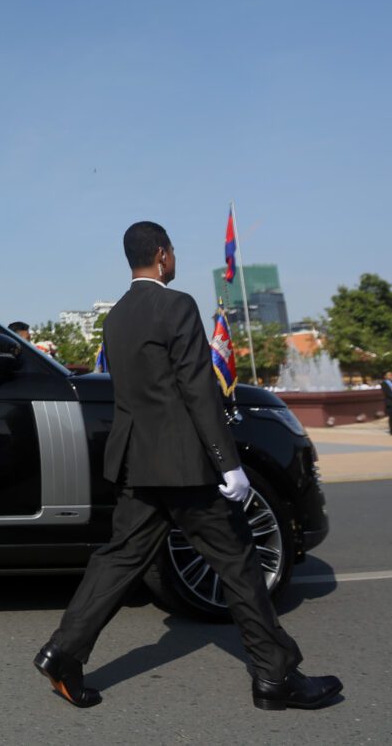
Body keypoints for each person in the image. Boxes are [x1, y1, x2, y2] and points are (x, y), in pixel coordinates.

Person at [33, 221, 340, 712]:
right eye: (172, 252)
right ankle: (275, 676)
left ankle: (63, 652)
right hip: (183, 466)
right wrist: (229, 463)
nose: (174, 260)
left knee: (119, 558)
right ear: (161, 256)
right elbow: (197, 390)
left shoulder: (116, 318)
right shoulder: (176, 306)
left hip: (137, 463)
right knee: (239, 563)